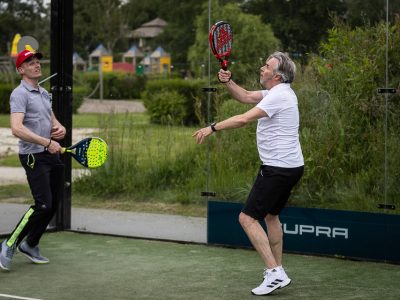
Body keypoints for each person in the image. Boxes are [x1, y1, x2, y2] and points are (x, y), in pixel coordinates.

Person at [193, 51, 304, 295]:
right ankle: (277, 269)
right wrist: (228, 81)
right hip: (293, 167)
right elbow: (244, 97)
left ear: (277, 76)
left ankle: (274, 273)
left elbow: (243, 119)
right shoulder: (279, 92)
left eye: (266, 66)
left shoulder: (278, 96)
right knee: (271, 217)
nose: (262, 68)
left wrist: (212, 127)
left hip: (277, 169)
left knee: (247, 218)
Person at [0, 50, 66, 271]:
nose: (37, 65)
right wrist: (47, 143)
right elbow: (17, 128)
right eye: (31, 63)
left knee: (54, 203)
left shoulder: (44, 93)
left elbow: (51, 119)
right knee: (43, 204)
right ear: (21, 70)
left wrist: (59, 128)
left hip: (51, 154)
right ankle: (10, 244)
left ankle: (31, 244)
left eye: (38, 62)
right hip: (32, 155)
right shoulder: (19, 94)